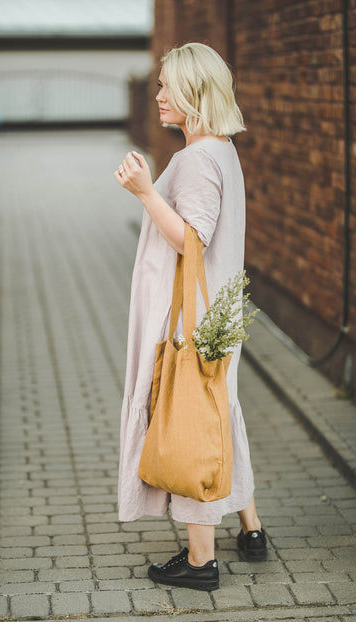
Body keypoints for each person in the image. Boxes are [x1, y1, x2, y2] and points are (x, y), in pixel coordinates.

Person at [114, 42, 267, 592]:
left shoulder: (200, 159)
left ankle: (201, 563)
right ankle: (249, 527)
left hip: (195, 319)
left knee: (191, 426)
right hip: (214, 312)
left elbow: (191, 240)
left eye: (166, 86)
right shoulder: (219, 148)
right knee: (218, 412)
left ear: (194, 92)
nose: (157, 95)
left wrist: (145, 193)